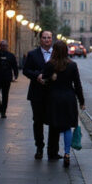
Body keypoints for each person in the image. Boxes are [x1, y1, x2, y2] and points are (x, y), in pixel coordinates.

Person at [42, 40, 85, 168]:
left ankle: (52, 152)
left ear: (54, 51)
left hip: (54, 98)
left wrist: (50, 79)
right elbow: (77, 85)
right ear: (66, 51)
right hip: (68, 99)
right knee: (67, 127)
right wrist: (82, 101)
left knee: (54, 125)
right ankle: (67, 153)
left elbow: (45, 81)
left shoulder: (50, 65)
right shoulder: (72, 65)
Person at [23, 30, 61, 160]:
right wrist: (36, 76)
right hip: (37, 94)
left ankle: (53, 151)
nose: (46, 40)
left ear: (52, 39)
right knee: (38, 121)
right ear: (40, 40)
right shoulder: (33, 54)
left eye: (49, 38)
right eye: (44, 38)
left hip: (53, 94)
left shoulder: (57, 55)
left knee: (54, 122)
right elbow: (26, 70)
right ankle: (39, 147)